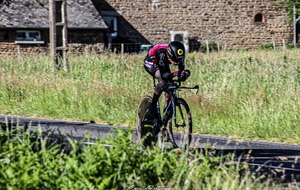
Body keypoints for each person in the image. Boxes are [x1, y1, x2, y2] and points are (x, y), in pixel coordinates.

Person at [143, 41, 190, 127]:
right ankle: (153, 106)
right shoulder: (162, 53)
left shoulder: (180, 56)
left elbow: (180, 72)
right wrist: (175, 74)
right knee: (163, 81)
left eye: (179, 60)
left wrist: (183, 75)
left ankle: (164, 123)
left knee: (169, 91)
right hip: (151, 62)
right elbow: (164, 76)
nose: (177, 63)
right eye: (175, 60)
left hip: (163, 62)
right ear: (170, 55)